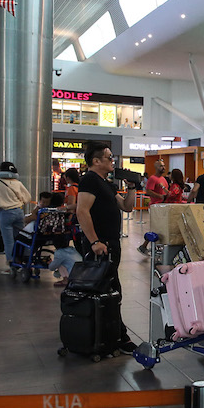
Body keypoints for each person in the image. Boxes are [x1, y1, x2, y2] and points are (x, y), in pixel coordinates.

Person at [75, 142, 138, 353]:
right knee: (107, 289)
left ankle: (111, 334)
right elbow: (82, 211)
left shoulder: (107, 184)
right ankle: (117, 336)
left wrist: (131, 187)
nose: (113, 161)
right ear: (96, 161)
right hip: (100, 246)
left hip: (111, 244)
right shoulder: (89, 181)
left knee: (111, 289)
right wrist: (94, 242)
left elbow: (127, 206)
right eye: (109, 157)